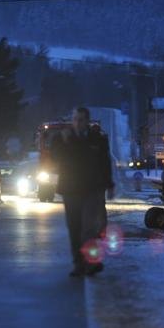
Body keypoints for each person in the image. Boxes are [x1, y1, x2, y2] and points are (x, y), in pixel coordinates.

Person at [52, 107, 114, 277]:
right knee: (74, 228)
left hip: (92, 189)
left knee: (89, 228)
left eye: (81, 119)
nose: (77, 123)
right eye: (75, 119)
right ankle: (79, 264)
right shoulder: (63, 138)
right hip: (71, 190)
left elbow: (104, 162)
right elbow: (55, 158)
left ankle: (92, 262)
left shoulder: (97, 139)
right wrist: (64, 142)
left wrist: (109, 184)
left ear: (87, 121)